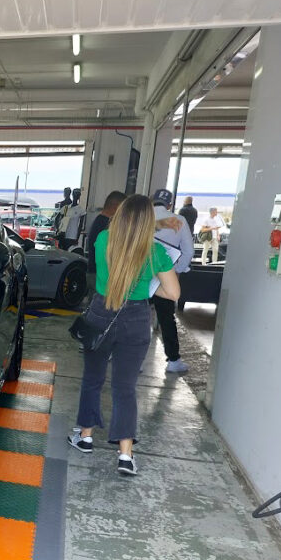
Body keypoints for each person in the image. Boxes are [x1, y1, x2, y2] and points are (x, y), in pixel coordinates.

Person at [67, 194, 180, 476]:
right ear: (147, 223)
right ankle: (125, 455)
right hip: (136, 318)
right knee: (125, 388)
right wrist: (148, 289)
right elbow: (173, 293)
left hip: (101, 312)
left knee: (93, 379)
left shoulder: (104, 239)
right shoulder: (155, 253)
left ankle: (85, 436)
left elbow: (126, 241)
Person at [151, 188, 194, 374]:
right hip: (163, 274)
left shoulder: (143, 217)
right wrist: (176, 270)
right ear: (170, 204)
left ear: (152, 201)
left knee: (131, 313)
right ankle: (173, 361)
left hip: (139, 272)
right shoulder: (180, 221)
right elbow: (189, 251)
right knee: (166, 317)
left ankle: (120, 353)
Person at [86, 190, 126, 277]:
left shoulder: (99, 220)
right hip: (100, 276)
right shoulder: (107, 225)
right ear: (117, 207)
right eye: (124, 209)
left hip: (94, 272)